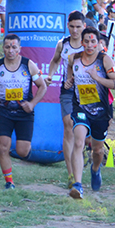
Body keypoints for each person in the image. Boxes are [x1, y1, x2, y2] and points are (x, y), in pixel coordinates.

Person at [0, 34, 47, 189]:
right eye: (7, 46)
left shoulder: (28, 65)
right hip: (4, 112)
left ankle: (26, 153)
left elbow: (42, 86)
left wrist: (32, 104)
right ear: (3, 48)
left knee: (22, 151)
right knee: (3, 146)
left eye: (14, 47)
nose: (10, 50)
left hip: (24, 113)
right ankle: (9, 182)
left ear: (19, 49)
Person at [65, 27, 115, 199]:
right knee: (79, 142)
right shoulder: (73, 59)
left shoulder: (105, 60)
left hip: (101, 111)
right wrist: (69, 82)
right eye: (86, 41)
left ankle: (95, 169)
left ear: (98, 43)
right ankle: (78, 185)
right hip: (80, 108)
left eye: (93, 41)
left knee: (97, 150)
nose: (90, 45)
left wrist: (97, 78)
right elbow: (70, 74)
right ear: (81, 43)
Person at [44, 11, 86, 186]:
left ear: (84, 26)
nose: (75, 30)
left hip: (87, 92)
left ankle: (91, 158)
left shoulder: (90, 43)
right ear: (67, 26)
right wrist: (50, 75)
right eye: (72, 27)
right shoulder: (63, 44)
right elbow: (54, 61)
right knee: (68, 126)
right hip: (68, 90)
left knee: (85, 133)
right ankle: (71, 174)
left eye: (78, 27)